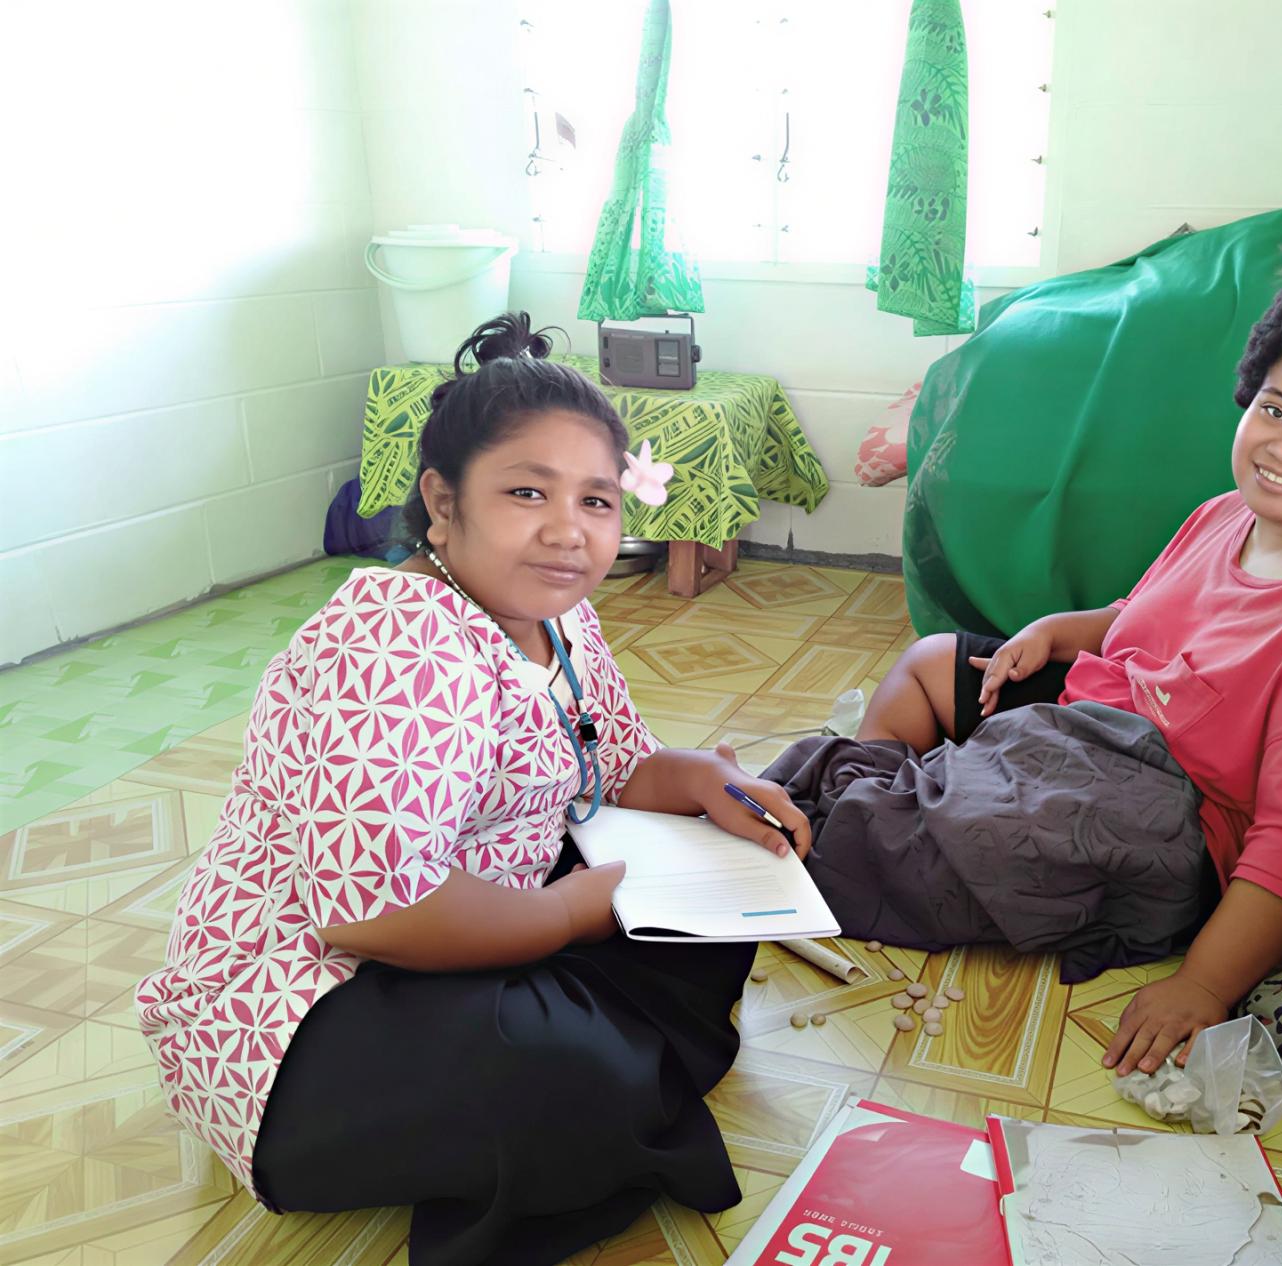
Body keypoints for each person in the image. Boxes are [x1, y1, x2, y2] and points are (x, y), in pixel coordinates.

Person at [135, 314, 810, 1266]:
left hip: (475, 928)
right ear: (442, 504)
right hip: (305, 1004)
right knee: (560, 1072)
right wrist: (576, 916)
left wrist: (704, 780)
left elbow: (612, 762)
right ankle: (577, 1073)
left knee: (708, 913)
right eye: (527, 492)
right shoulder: (398, 636)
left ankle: (590, 1049)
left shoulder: (554, 619)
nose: (568, 532)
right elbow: (376, 915)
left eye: (598, 502)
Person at [769, 255, 1282, 1082]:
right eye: (1276, 409)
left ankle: (884, 828)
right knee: (931, 664)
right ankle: (896, 811)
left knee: (894, 844)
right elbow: (1143, 620)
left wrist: (1203, 985)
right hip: (1094, 725)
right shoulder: (1227, 513)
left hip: (1170, 815)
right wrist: (1059, 632)